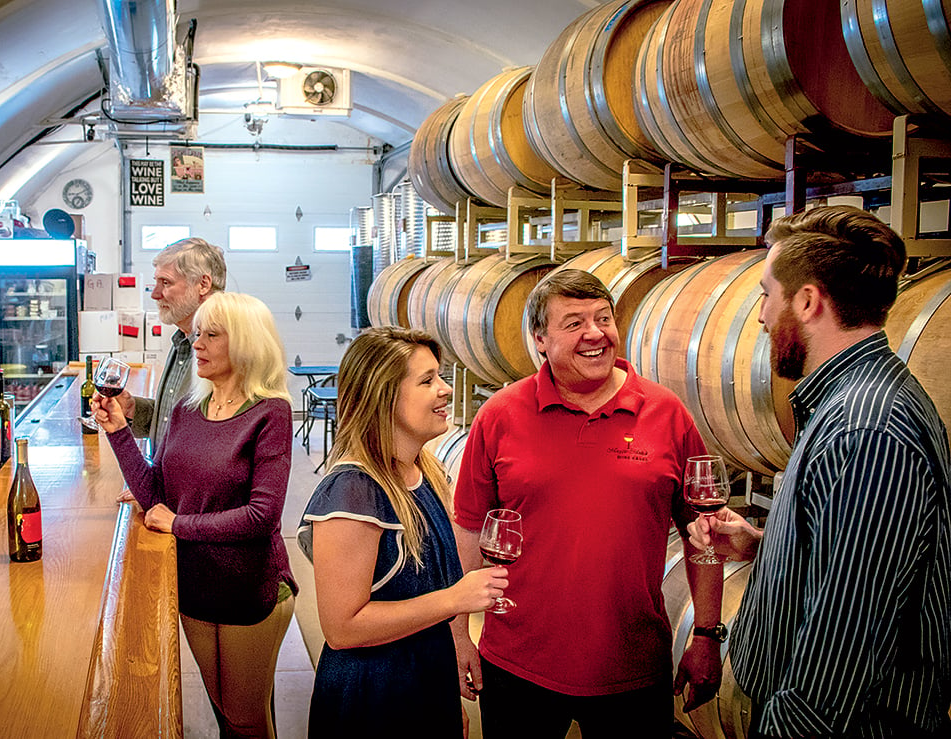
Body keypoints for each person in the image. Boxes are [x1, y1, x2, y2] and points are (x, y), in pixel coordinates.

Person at [688, 206, 951, 738]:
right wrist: (766, 544)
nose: (761, 315)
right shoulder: (850, 401)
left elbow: (848, 640)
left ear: (807, 301)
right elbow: (855, 564)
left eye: (766, 294)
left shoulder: (867, 431)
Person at [452, 269, 724, 737]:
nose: (595, 333)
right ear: (540, 339)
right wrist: (458, 633)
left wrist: (705, 633)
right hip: (519, 662)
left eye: (603, 318)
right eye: (574, 322)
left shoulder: (667, 412)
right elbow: (470, 529)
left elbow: (705, 534)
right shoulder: (499, 414)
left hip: (633, 664)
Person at [93, 292, 296, 738]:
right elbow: (155, 493)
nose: (197, 343)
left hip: (250, 589)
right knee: (224, 712)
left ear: (245, 343)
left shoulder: (270, 413)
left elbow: (262, 516)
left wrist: (180, 524)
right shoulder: (187, 409)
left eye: (211, 334)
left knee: (246, 720)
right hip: (195, 585)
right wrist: (118, 432)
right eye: (197, 332)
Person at [298, 327, 508, 738]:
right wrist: (454, 599)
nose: (445, 390)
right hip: (373, 699)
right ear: (383, 395)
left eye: (440, 376)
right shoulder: (354, 493)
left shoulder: (422, 471)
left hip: (423, 680)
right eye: (427, 380)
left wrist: (447, 684)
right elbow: (342, 628)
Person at [102, 237, 225, 450]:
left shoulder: (223, 351)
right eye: (156, 282)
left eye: (166, 283)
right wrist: (131, 408)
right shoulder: (183, 340)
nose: (155, 294)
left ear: (203, 284)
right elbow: (174, 422)